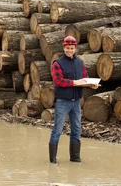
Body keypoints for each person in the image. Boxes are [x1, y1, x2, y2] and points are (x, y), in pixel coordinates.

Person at [48, 35, 99, 164]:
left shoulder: (79, 63)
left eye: (71, 48)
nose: (69, 50)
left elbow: (85, 79)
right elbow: (58, 81)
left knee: (77, 129)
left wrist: (91, 85)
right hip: (62, 102)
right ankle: (53, 160)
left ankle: (75, 157)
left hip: (76, 101)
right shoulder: (57, 63)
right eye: (67, 48)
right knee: (57, 130)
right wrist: (76, 82)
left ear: (75, 48)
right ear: (63, 47)